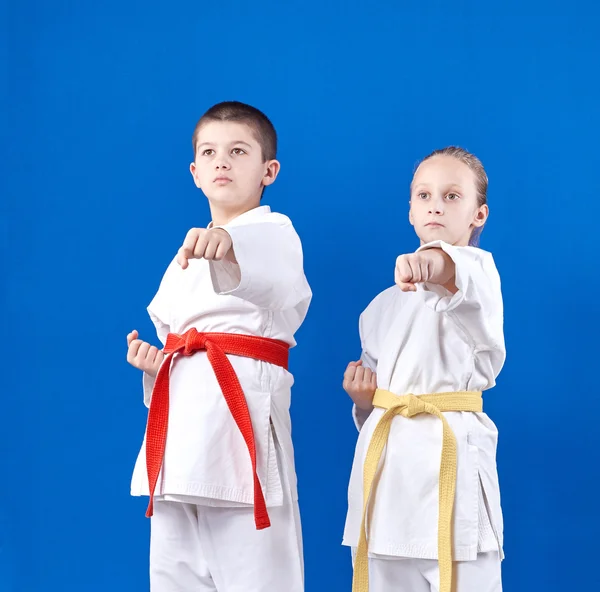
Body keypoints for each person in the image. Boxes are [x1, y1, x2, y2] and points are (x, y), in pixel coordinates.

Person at [126, 101, 311, 592]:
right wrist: (155, 366)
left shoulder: (276, 234)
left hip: (239, 433)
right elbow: (181, 344)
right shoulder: (182, 256)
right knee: (175, 577)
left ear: (268, 170)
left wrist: (230, 248)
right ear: (194, 172)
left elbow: (270, 279)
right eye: (209, 152)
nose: (221, 162)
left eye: (237, 151)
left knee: (258, 578)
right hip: (178, 451)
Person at [342, 147, 506, 592]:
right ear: (411, 210)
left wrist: (428, 261)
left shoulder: (479, 275)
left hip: (449, 465)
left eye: (453, 196)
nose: (436, 203)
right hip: (388, 477)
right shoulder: (379, 306)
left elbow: (448, 269)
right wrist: (363, 400)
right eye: (424, 194)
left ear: (478, 215)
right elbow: (377, 397)